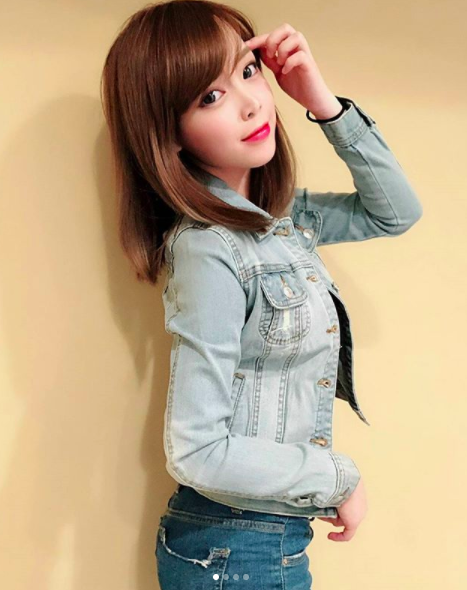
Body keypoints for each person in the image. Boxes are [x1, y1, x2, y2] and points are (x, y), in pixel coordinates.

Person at [100, 1, 423, 588]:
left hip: (254, 544)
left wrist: (323, 104)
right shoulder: (208, 249)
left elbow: (395, 212)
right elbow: (196, 450)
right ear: (169, 135)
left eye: (247, 72)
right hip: (234, 547)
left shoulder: (282, 221)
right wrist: (336, 477)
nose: (250, 102)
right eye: (210, 97)